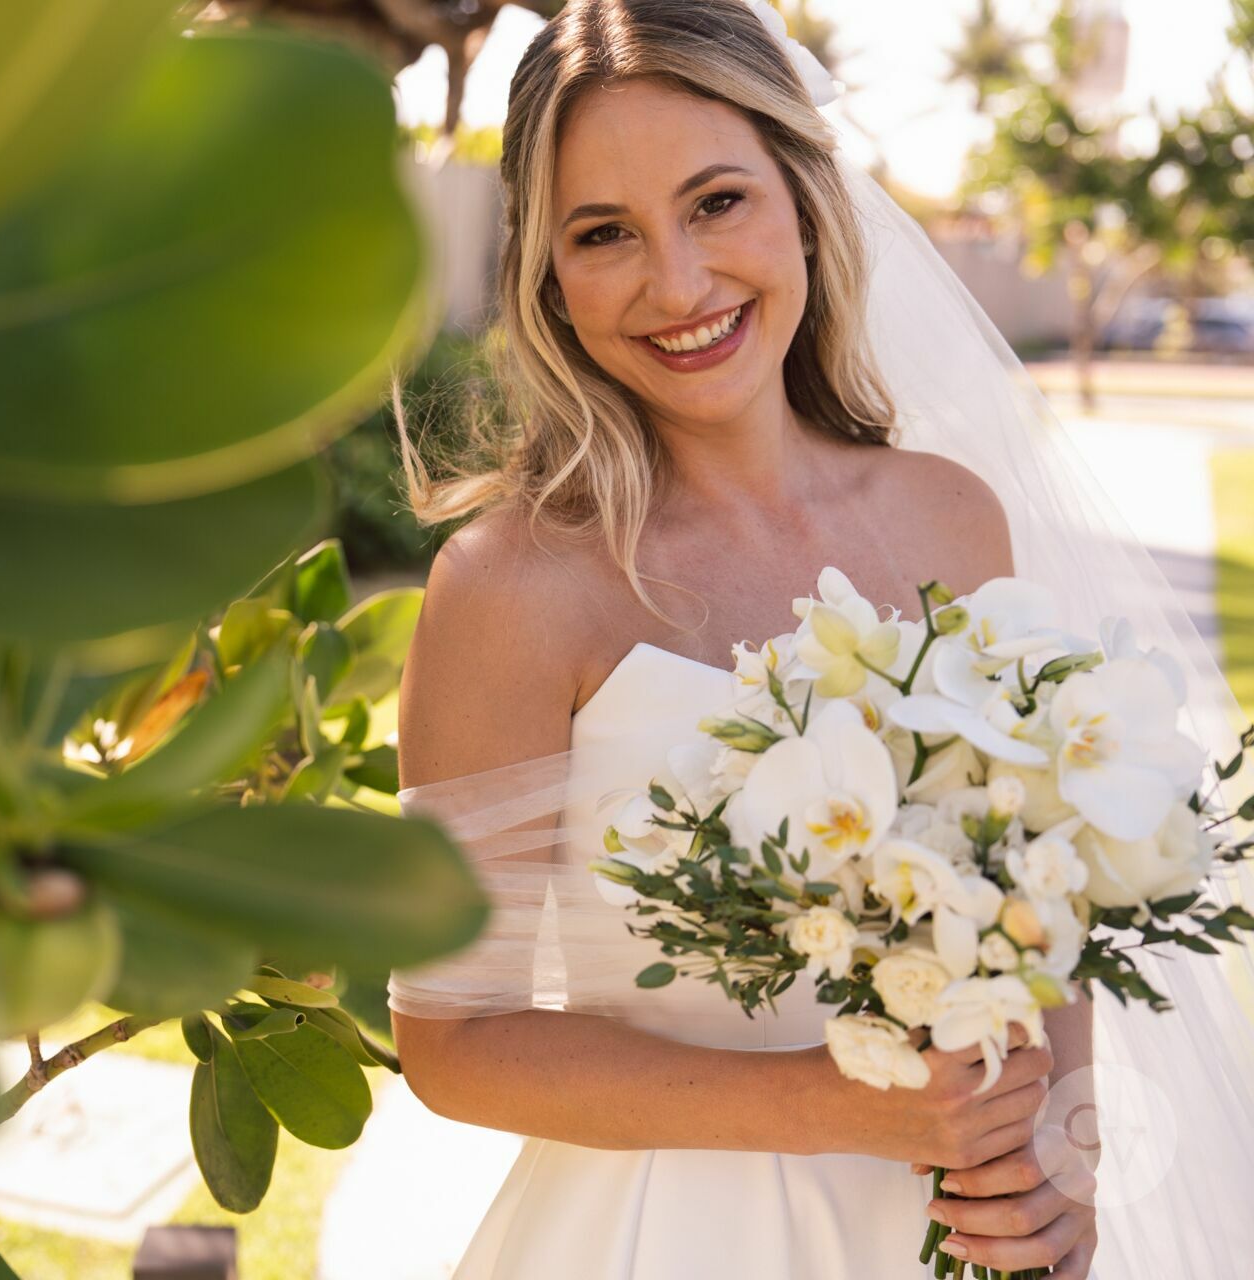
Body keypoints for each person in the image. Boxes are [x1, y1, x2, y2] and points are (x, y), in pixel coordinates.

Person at [385, 1, 1097, 1275]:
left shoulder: (954, 518)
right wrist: (841, 1106)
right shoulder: (511, 587)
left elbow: (1045, 906)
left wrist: (1060, 1161)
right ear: (548, 276)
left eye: (717, 201)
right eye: (604, 233)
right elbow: (453, 1038)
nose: (678, 283)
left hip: (956, 1229)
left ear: (804, 196)